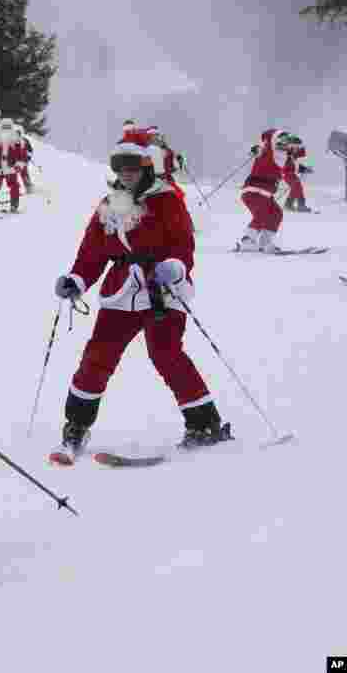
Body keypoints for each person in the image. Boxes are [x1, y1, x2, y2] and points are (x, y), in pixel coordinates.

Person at [51, 143, 231, 465]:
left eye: (132, 168)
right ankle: (76, 425)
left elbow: (182, 245)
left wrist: (175, 268)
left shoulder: (167, 201)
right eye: (121, 169)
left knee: (166, 353)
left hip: (160, 287)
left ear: (147, 169)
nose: (126, 175)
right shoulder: (110, 204)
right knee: (98, 356)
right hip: (121, 291)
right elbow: (92, 252)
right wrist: (76, 279)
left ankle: (205, 424)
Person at [236, 129, 293, 253]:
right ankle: (247, 241)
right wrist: (256, 149)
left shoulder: (282, 156)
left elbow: (289, 167)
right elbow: (261, 148)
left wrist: (301, 169)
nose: (284, 146)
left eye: (286, 144)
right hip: (254, 191)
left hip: (265, 194)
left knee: (276, 213)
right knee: (263, 214)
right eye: (281, 143)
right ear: (274, 142)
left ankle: (265, 241)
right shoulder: (267, 150)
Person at [282, 135, 312, 213]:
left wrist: (304, 169)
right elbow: (286, 165)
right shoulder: (286, 154)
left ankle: (288, 205)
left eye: (298, 146)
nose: (297, 147)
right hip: (287, 174)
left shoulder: (292, 154)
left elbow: (296, 165)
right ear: (290, 144)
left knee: (295, 189)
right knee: (298, 188)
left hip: (291, 174)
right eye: (296, 145)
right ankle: (301, 206)